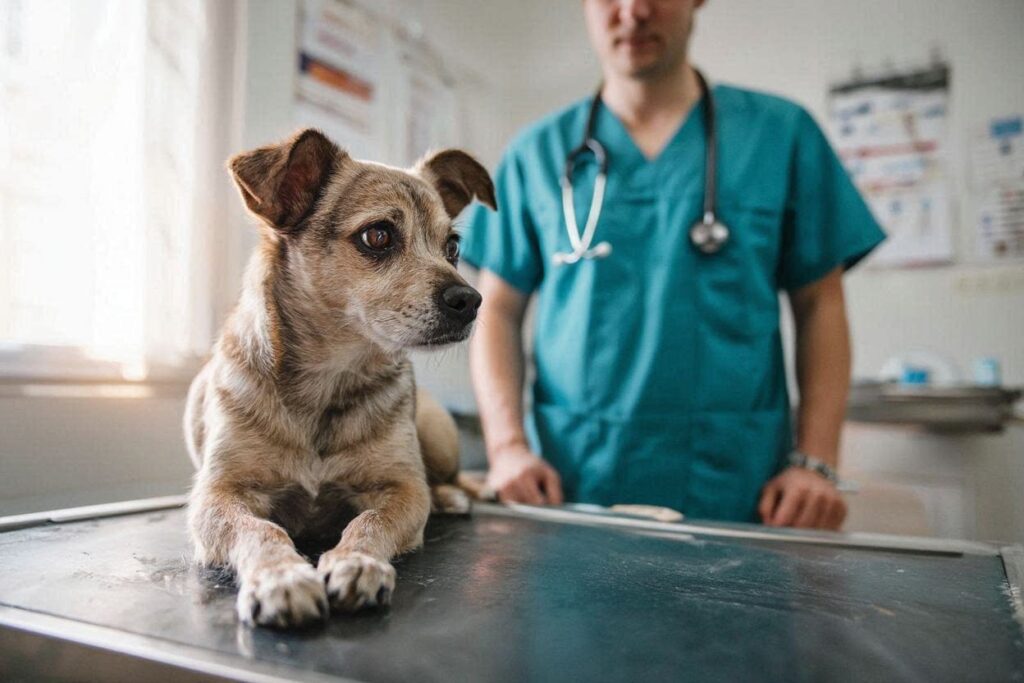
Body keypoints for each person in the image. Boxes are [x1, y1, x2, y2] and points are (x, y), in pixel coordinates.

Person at [459, 0, 885, 529]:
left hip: (740, 492)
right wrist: (507, 448)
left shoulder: (782, 136)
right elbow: (497, 311)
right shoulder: (536, 153)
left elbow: (820, 303)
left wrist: (816, 463)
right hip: (569, 489)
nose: (633, 11)